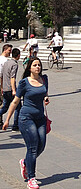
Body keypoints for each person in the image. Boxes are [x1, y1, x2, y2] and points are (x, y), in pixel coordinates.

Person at [2, 56, 50, 189]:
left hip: (40, 118)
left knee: (41, 145)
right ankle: (31, 178)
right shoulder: (24, 83)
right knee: (33, 147)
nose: (38, 67)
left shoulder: (44, 79)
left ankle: (25, 162)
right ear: (29, 67)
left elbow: (45, 92)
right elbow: (16, 101)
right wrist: (7, 120)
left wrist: (46, 98)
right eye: (35, 65)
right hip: (26, 118)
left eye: (39, 65)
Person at [0, 47, 21, 130]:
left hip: (5, 88)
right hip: (10, 88)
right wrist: (14, 90)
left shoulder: (6, 63)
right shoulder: (14, 64)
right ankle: (16, 125)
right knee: (18, 106)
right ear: (18, 55)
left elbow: (1, 75)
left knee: (5, 107)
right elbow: (13, 77)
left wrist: (2, 87)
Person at [0, 43, 12, 127]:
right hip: (2, 84)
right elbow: (1, 75)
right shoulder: (4, 61)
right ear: (5, 50)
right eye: (9, 50)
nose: (10, 52)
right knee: (2, 104)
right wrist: (1, 87)